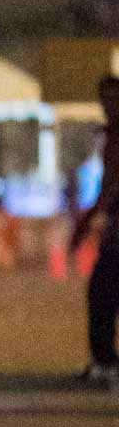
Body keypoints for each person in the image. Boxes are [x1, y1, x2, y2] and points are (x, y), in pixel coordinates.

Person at [71, 76, 119, 388]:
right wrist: (85, 224)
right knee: (101, 294)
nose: (108, 105)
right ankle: (103, 359)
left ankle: (104, 361)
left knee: (102, 292)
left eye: (113, 99)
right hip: (113, 231)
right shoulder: (110, 136)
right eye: (104, 99)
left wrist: (101, 213)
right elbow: (107, 187)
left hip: (116, 230)